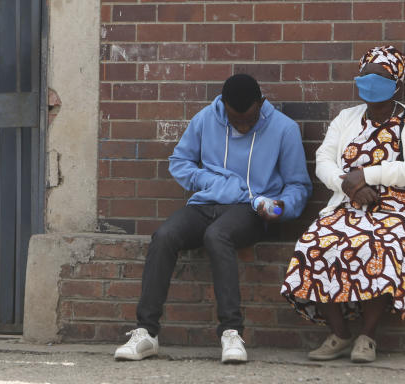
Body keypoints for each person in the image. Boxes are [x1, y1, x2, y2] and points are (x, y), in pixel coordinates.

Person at [115, 73, 312, 364]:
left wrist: (280, 207)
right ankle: (146, 332)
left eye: (250, 119)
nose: (243, 125)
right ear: (223, 107)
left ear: (262, 104)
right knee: (164, 236)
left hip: (251, 210)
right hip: (206, 203)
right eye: (235, 120)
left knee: (217, 236)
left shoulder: (285, 129)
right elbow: (179, 162)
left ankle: (231, 332)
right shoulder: (207, 118)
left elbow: (299, 186)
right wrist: (211, 183)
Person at [280, 45, 405, 364]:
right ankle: (339, 333)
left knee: (380, 246)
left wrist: (365, 174)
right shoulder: (347, 118)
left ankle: (368, 337)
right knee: (315, 244)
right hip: (348, 205)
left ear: (396, 83)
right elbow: (323, 159)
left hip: (398, 208)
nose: (370, 82)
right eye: (365, 75)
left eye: (379, 76)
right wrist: (346, 185)